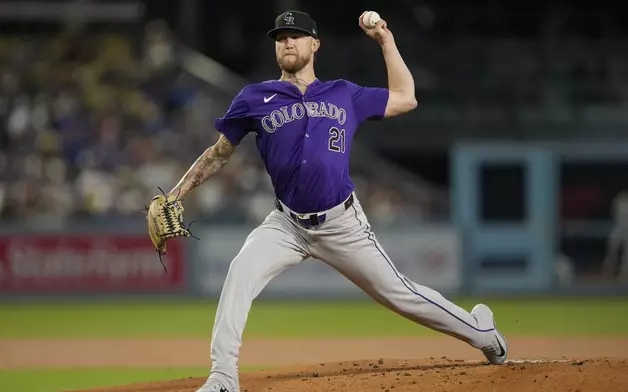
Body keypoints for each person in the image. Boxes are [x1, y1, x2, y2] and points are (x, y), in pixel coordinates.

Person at [164, 10, 508, 392]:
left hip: (342, 223)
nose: (288, 42)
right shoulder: (254, 98)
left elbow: (406, 98)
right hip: (286, 224)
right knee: (240, 272)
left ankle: (482, 332)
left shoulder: (344, 93)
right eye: (281, 37)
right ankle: (223, 376)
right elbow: (219, 153)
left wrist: (386, 43)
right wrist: (176, 193)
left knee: (401, 295)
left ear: (315, 44)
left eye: (296, 35)